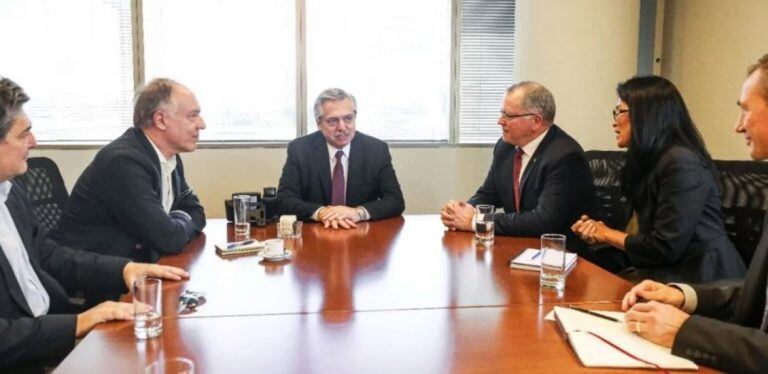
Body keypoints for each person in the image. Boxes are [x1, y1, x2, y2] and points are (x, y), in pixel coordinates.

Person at [0, 76, 190, 372]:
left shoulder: (10, 193)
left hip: (52, 329)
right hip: (26, 354)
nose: (34, 142)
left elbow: (48, 255)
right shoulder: (124, 159)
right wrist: (79, 322)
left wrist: (126, 269)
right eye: (24, 133)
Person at [620, 54, 768, 374]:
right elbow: (760, 295)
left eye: (745, 109)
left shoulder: (680, 160)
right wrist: (683, 296)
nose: (738, 125)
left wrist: (687, 332)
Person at [571, 76, 745, 283]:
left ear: (646, 115)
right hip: (662, 271)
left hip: (703, 280)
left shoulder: (681, 162)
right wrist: (599, 231)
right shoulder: (650, 161)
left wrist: (607, 234)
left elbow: (665, 246)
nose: (614, 122)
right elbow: (643, 234)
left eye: (619, 112)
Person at [51, 78, 206, 263]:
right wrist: (178, 222)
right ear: (161, 120)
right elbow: (168, 239)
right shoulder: (124, 162)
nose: (201, 124)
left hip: (139, 267)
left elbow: (196, 211)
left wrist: (176, 221)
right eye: (192, 116)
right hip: (99, 278)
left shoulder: (169, 157)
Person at [441, 81, 600, 244]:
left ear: (536, 121)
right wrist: (462, 212)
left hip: (563, 254)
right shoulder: (505, 147)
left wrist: (476, 221)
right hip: (521, 244)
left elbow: (543, 221)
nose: (500, 121)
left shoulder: (565, 157)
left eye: (508, 116)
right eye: (501, 113)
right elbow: (488, 194)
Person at [277, 88, 405, 229]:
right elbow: (284, 200)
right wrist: (322, 212)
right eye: (332, 121)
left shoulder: (376, 150)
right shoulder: (300, 149)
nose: (342, 127)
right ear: (319, 123)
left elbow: (395, 201)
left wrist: (358, 213)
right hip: (317, 233)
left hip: (361, 234)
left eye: (348, 118)